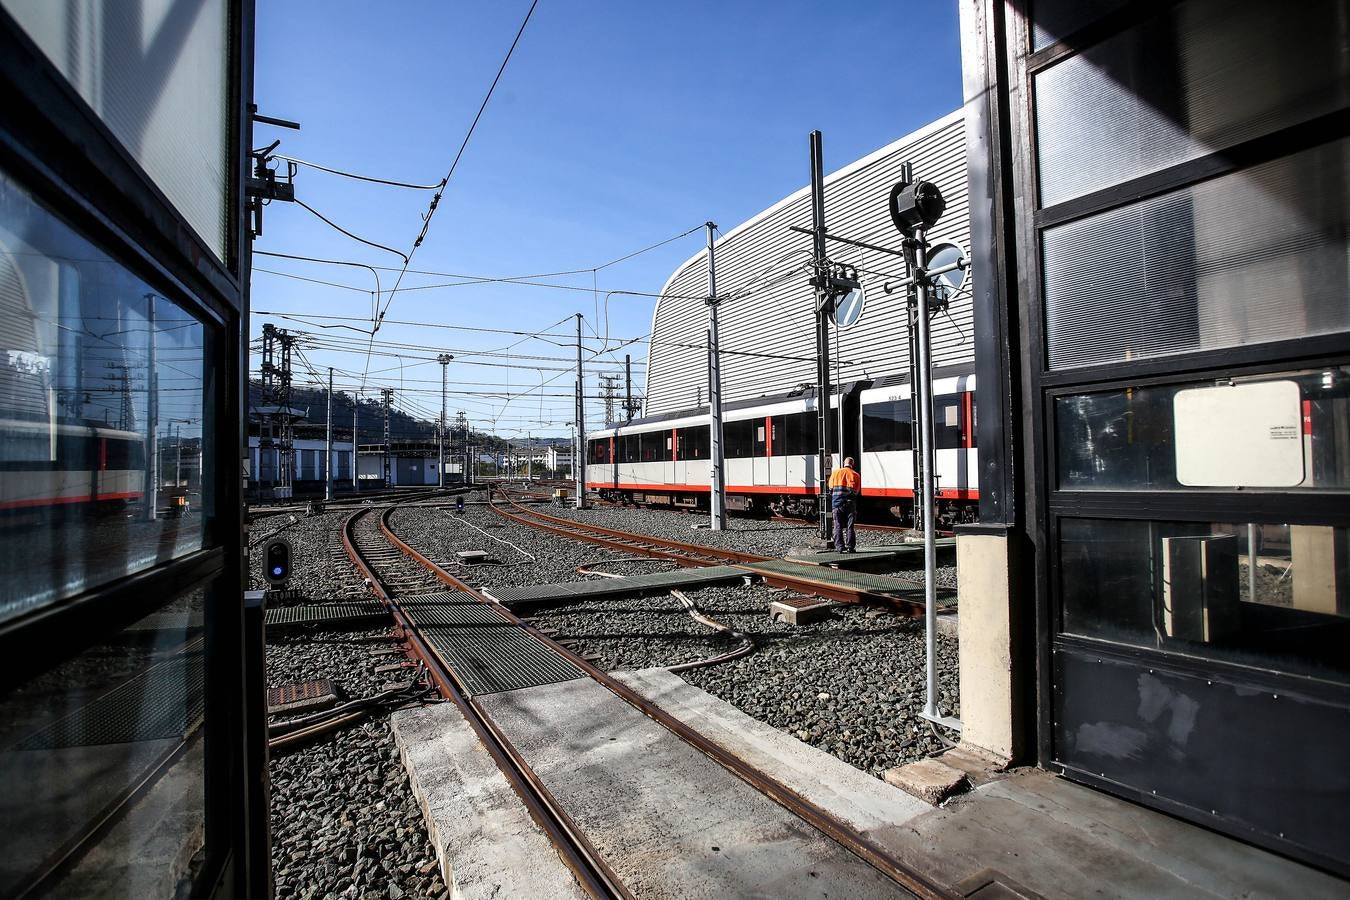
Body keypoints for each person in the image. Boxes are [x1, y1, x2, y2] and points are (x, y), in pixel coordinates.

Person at [827, 456, 861, 553]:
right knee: (850, 526)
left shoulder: (835, 473)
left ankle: (840, 547)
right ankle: (850, 547)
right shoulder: (855, 475)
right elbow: (856, 492)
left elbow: (830, 489)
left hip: (837, 503)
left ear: (843, 463)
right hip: (850, 504)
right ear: (852, 464)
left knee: (837, 525)